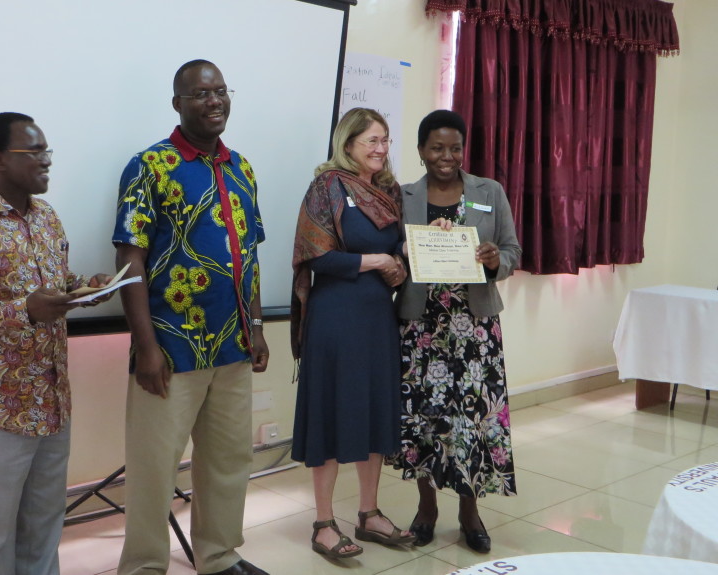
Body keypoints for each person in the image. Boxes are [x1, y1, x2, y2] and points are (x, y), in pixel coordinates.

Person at [0, 112, 113, 575]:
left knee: (44, 524)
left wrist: (87, 288)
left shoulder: (46, 217)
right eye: (36, 152)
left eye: (48, 151)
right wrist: (24, 310)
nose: (47, 161)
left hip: (51, 400)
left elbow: (55, 284)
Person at [113, 59, 270, 575]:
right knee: (154, 470)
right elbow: (130, 260)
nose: (214, 101)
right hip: (172, 351)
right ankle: (143, 567)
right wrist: (147, 348)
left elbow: (248, 252)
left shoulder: (241, 167)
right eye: (201, 93)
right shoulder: (149, 166)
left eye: (221, 91)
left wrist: (259, 326)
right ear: (177, 102)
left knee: (228, 463)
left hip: (232, 346)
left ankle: (219, 557)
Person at [388, 109, 521, 554]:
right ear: (423, 150)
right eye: (437, 147)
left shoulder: (490, 191)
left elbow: (513, 251)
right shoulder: (401, 195)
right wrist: (406, 250)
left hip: (475, 329)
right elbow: (389, 252)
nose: (447, 156)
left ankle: (470, 511)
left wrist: (493, 260)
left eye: (455, 147)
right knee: (423, 420)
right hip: (421, 327)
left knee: (473, 422)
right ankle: (427, 508)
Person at [290, 107, 415, 559]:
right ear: (348, 146)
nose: (381, 149)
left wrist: (407, 257)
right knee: (330, 411)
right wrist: (377, 263)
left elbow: (399, 246)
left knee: (374, 409)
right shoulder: (327, 187)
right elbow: (315, 256)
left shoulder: (389, 191)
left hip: (378, 317)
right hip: (335, 318)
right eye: (372, 141)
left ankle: (368, 514)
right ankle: (323, 522)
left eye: (385, 140)